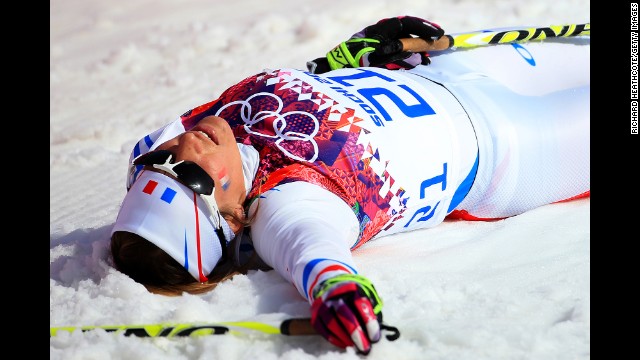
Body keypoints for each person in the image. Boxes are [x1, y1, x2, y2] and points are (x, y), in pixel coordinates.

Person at [110, 16, 590, 355]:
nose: (183, 149)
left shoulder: (219, 126)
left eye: (160, 159)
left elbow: (314, 82)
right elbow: (312, 253)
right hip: (515, 144)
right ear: (231, 221)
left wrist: (354, 54)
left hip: (453, 71)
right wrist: (338, 292)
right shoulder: (287, 202)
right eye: (191, 176)